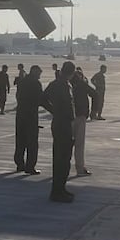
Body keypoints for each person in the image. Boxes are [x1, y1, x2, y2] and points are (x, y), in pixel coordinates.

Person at [43, 61, 76, 202]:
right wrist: (55, 111)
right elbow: (42, 99)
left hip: (66, 124)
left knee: (65, 159)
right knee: (61, 159)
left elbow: (43, 99)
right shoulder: (58, 85)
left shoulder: (63, 84)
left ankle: (61, 188)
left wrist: (54, 111)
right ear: (71, 73)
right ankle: (57, 192)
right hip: (61, 124)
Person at [14, 65, 44, 175]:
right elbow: (41, 99)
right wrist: (54, 110)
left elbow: (18, 96)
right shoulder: (36, 84)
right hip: (31, 115)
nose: (40, 76)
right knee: (32, 143)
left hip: (20, 114)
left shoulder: (22, 82)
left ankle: (19, 164)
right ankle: (30, 166)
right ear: (35, 73)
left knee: (20, 141)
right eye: (39, 73)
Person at [71, 67, 96, 176]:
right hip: (80, 116)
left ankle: (63, 168)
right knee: (79, 145)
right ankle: (80, 168)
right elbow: (95, 94)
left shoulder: (66, 84)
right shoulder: (82, 85)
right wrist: (93, 111)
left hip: (67, 117)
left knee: (65, 145)